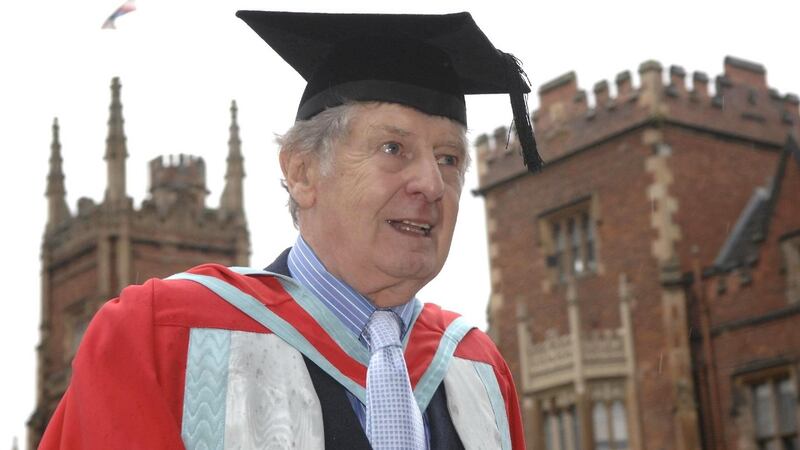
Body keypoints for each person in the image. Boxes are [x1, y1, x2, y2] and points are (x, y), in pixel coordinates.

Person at [39, 10, 543, 450]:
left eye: (449, 158)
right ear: (301, 172)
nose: (432, 184)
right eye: (394, 149)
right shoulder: (163, 337)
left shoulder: (477, 369)